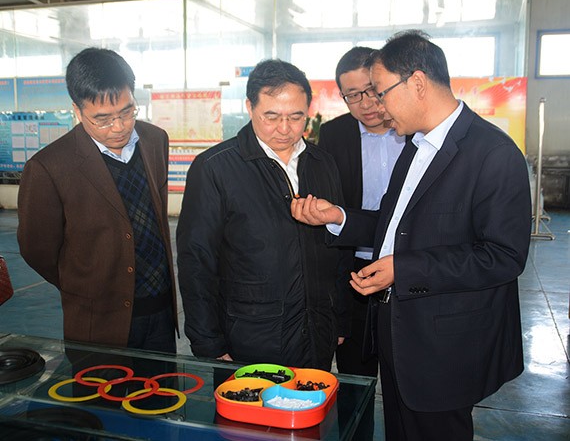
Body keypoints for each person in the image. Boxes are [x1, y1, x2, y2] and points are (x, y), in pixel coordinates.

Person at [291, 30, 531, 440]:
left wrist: (403, 269)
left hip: (445, 346)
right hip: (398, 332)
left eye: (381, 93)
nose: (378, 106)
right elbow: (394, 225)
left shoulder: (493, 154)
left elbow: (503, 256)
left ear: (417, 83)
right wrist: (339, 216)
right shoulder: (415, 147)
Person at [176, 59, 350, 370]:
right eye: (271, 116)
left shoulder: (322, 163)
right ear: (250, 107)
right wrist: (207, 341)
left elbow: (338, 250)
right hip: (248, 338)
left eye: (296, 117)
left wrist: (339, 317)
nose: (284, 129)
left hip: (316, 332)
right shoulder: (215, 168)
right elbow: (196, 261)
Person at [17, 48, 177, 354]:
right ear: (77, 111)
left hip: (161, 312)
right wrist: (85, 285)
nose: (118, 127)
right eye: (102, 119)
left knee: (162, 384)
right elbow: (37, 251)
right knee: (101, 387)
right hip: (98, 321)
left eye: (127, 112)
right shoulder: (49, 167)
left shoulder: (155, 140)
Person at [319, 46, 405, 378]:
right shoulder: (334, 135)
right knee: (355, 372)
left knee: (406, 372)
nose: (366, 103)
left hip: (407, 265)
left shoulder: (414, 130)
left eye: (371, 90)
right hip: (354, 268)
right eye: (352, 95)